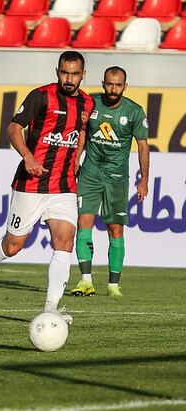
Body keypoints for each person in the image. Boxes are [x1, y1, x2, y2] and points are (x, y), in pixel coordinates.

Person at [0, 51, 95, 324]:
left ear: (83, 74)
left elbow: (81, 131)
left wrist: (77, 157)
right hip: (30, 184)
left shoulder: (87, 103)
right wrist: (28, 157)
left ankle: (50, 308)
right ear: (57, 71)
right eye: (65, 73)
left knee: (64, 241)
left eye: (75, 74)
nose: (69, 79)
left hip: (64, 186)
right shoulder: (41, 96)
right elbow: (13, 128)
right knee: (12, 246)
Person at [70, 67, 149, 298]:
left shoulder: (134, 111)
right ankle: (86, 281)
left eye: (118, 85)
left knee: (115, 228)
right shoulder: (91, 104)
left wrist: (144, 180)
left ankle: (114, 285)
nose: (113, 89)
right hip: (90, 174)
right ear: (103, 83)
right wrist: (76, 159)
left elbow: (143, 146)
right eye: (109, 84)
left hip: (117, 178)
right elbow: (83, 132)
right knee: (83, 221)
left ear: (125, 86)